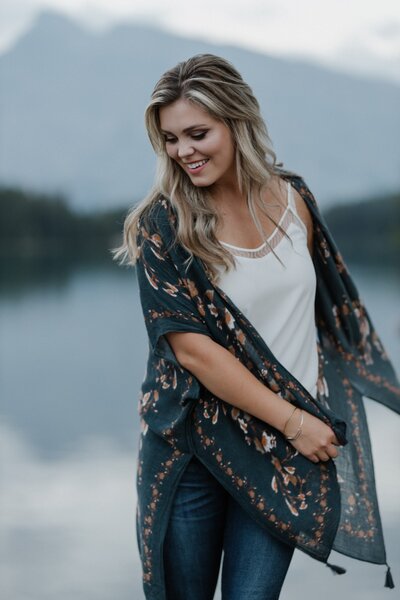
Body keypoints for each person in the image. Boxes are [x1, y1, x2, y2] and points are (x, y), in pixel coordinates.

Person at [113, 54, 399, 600]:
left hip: (279, 455)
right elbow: (192, 351)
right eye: (171, 139)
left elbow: (324, 309)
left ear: (238, 121)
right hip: (193, 448)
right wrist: (296, 421)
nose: (183, 152)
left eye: (198, 134)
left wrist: (316, 402)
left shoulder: (294, 200)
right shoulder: (164, 222)